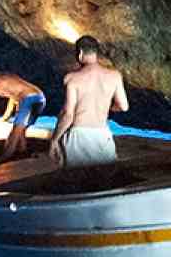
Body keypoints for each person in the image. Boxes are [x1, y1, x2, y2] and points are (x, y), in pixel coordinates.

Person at [48, 35, 129, 169]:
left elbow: (68, 115)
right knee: (106, 181)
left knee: (77, 181)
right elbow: (124, 106)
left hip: (78, 137)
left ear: (80, 53)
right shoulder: (115, 76)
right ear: (96, 53)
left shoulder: (72, 78)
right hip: (102, 134)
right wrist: (108, 108)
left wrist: (54, 140)